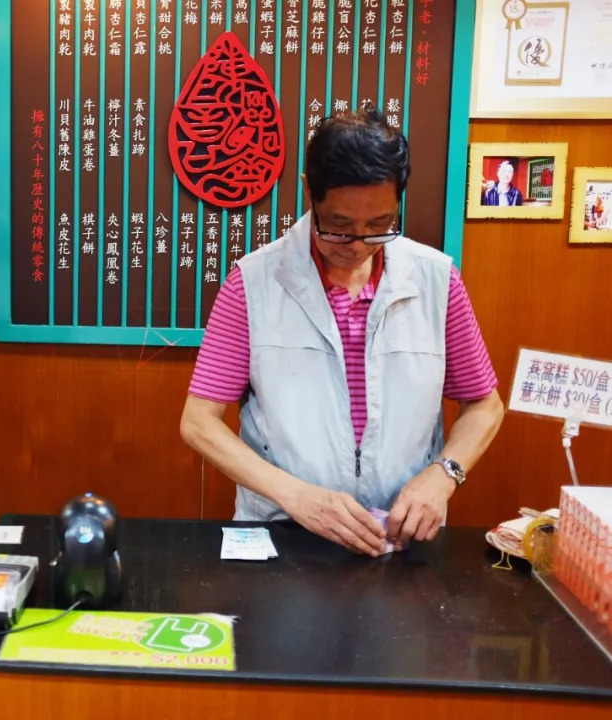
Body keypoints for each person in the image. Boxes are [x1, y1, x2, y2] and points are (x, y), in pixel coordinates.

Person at [180, 105, 504, 557]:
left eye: (378, 227)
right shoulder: (253, 283)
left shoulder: (435, 280)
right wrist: (295, 496)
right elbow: (198, 423)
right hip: (286, 534)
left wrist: (444, 474)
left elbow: (484, 406)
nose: (356, 246)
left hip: (399, 539)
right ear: (309, 192)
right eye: (338, 227)